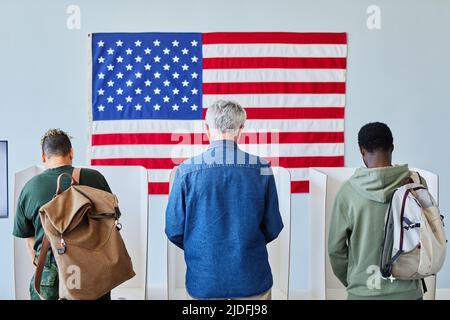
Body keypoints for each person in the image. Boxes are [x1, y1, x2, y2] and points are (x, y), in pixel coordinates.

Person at [165, 100, 284, 300]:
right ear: (241, 129)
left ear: (207, 129)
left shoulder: (186, 171)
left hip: (203, 281)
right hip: (251, 279)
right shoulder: (261, 168)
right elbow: (273, 227)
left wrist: (203, 247)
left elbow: (174, 229)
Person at [13, 129, 112, 300]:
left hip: (49, 275)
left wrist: (41, 262)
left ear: (43, 156)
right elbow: (110, 222)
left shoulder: (30, 188)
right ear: (71, 152)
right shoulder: (95, 178)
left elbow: (28, 237)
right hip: (92, 270)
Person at [328, 122, 424, 300]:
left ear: (362, 151)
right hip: (408, 293)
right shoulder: (415, 183)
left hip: (363, 292)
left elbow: (336, 250)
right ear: (392, 147)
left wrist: (354, 282)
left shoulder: (347, 192)